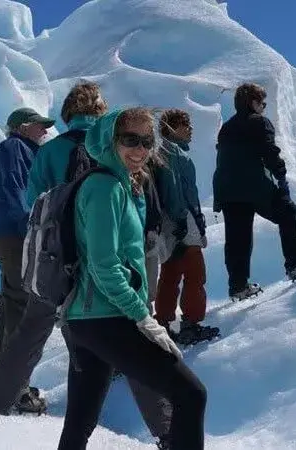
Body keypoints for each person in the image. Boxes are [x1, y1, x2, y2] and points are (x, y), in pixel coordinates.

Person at [0, 86, 172, 449]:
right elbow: (133, 220)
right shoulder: (119, 151)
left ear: (67, 113)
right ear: (104, 113)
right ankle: (169, 436)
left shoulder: (50, 152)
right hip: (108, 273)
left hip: (58, 268)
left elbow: (33, 204)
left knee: (26, 341)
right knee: (134, 348)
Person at [58, 107, 207, 450]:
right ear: (111, 140)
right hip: (106, 317)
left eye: (146, 141)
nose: (140, 149)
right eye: (130, 140)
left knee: (81, 418)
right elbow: (104, 264)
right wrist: (142, 316)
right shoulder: (105, 188)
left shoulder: (119, 185)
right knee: (191, 394)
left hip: (87, 318)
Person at [213, 83, 296, 301]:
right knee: (289, 213)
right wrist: (281, 176)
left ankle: (238, 286)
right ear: (253, 102)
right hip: (252, 184)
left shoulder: (226, 127)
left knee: (238, 238)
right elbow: (269, 151)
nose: (264, 107)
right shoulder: (259, 122)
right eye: (262, 102)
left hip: (226, 189)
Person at [0, 107, 54, 413]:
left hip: (6, 234)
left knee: (11, 303)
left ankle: (5, 380)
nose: (45, 131)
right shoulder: (14, 148)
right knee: (20, 306)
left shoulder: (18, 148)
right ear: (23, 127)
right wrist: (31, 230)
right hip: (15, 235)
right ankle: (13, 389)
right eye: (40, 126)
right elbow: (16, 191)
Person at [154, 109, 219, 345]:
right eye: (185, 125)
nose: (190, 129)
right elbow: (174, 189)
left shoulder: (165, 151)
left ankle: (162, 323)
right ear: (171, 128)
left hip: (168, 221)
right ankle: (191, 324)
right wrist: (183, 221)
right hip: (181, 220)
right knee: (194, 272)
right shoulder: (172, 152)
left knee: (171, 272)